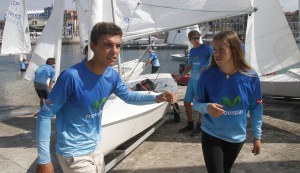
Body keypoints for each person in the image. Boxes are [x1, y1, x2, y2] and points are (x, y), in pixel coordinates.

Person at [35, 22, 177, 173]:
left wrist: (157, 97)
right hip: (73, 153)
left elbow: (128, 96)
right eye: (107, 45)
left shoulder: (111, 75)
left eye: (118, 46)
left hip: (96, 149)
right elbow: (45, 115)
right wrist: (44, 160)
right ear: (93, 46)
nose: (114, 51)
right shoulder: (71, 77)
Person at [193, 30, 263, 173]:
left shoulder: (251, 77)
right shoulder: (207, 75)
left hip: (237, 137)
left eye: (221, 50)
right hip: (211, 133)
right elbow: (196, 104)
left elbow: (256, 108)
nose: (216, 54)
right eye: (214, 49)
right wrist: (206, 108)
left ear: (234, 50)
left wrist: (257, 136)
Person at [175, 30, 213, 137]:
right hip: (192, 79)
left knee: (201, 102)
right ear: (190, 40)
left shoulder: (206, 48)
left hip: (202, 80)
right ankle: (190, 123)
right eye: (193, 38)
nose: (196, 40)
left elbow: (214, 58)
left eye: (197, 37)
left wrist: (206, 66)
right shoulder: (192, 51)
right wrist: (181, 76)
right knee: (187, 102)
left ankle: (200, 125)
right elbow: (189, 66)